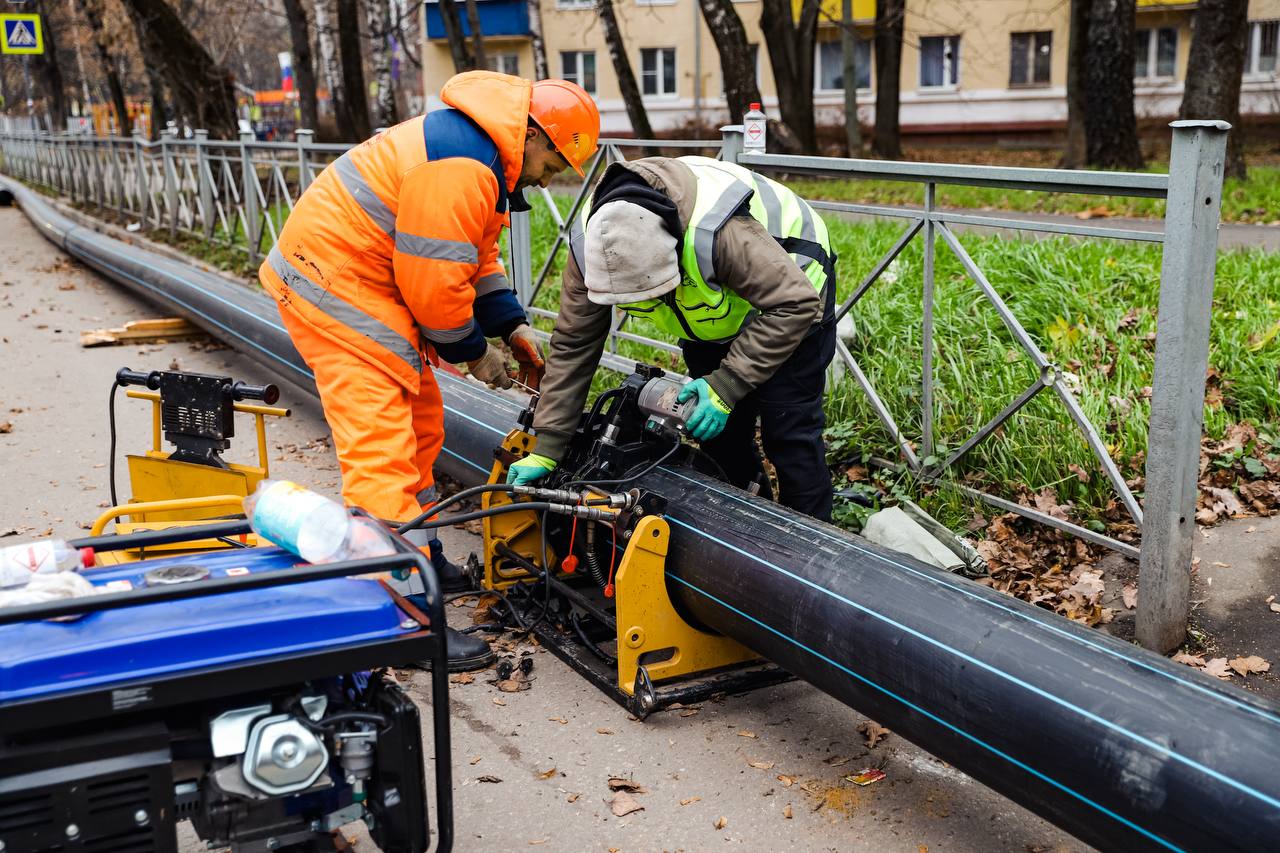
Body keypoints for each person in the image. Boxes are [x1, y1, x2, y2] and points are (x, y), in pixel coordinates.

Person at [260, 71, 600, 669]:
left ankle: (421, 558)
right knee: (381, 451)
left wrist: (511, 327)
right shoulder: (463, 167)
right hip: (335, 287)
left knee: (421, 422)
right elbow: (436, 287)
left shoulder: (480, 154)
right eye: (554, 165)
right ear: (536, 136)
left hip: (359, 281)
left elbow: (473, 253)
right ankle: (401, 616)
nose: (551, 179)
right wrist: (475, 353)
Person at [508, 156, 837, 522]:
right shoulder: (594, 245)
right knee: (719, 433)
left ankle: (813, 555)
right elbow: (574, 343)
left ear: (673, 251)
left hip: (793, 291)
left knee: (788, 433)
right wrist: (548, 445)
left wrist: (726, 385)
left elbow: (795, 302)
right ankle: (746, 534)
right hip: (713, 314)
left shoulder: (718, 234)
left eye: (652, 292)